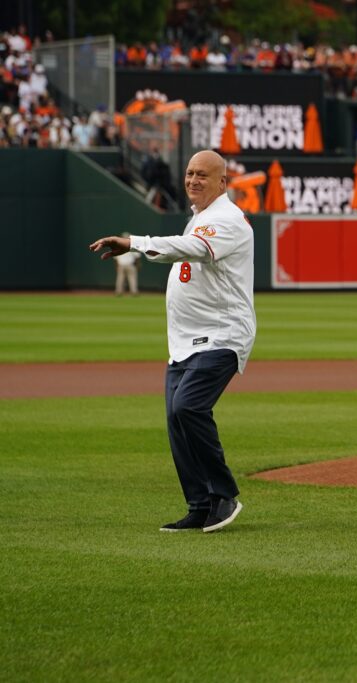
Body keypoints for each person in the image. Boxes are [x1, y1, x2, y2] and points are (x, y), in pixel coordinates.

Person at [89, 150, 255, 533]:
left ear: (222, 183)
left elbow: (195, 249)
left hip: (222, 334)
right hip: (185, 341)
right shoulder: (199, 218)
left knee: (188, 407)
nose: (194, 180)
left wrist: (134, 243)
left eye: (203, 175)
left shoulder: (227, 219)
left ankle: (224, 495)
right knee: (176, 421)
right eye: (190, 173)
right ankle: (199, 505)